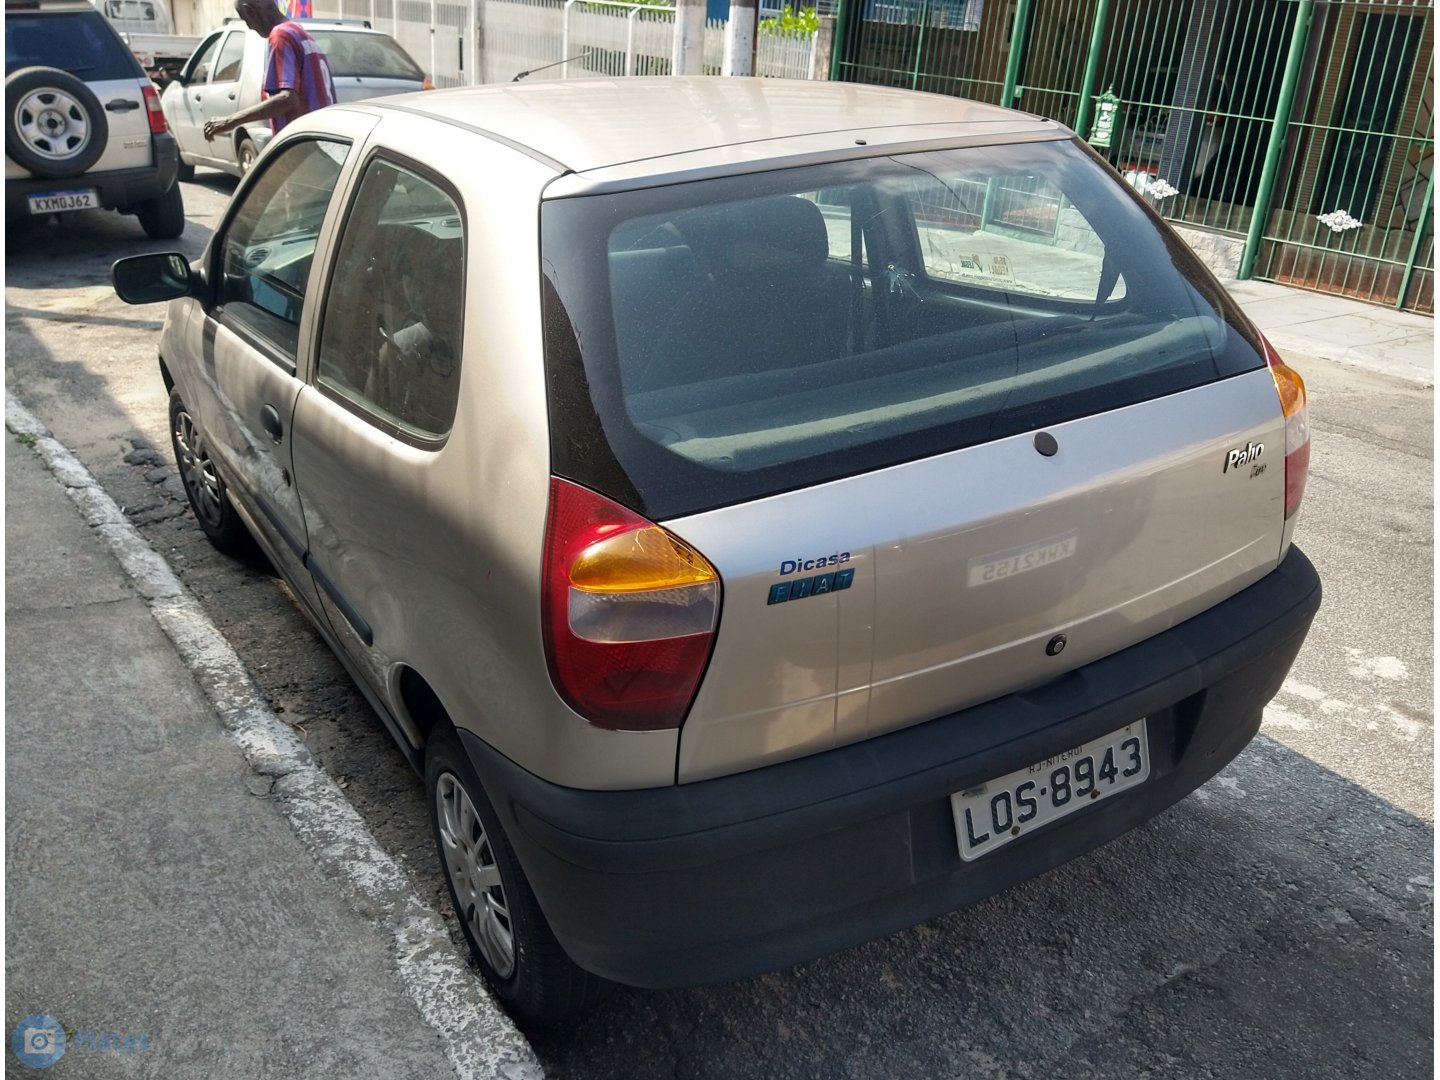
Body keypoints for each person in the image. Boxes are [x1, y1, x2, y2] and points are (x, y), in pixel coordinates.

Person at [203, 0, 337, 143]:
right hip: (319, 138)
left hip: (303, 143)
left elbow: (288, 99)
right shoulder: (299, 32)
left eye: (245, 19)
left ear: (250, 11)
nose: (250, 27)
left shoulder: (280, 35)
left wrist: (230, 121)